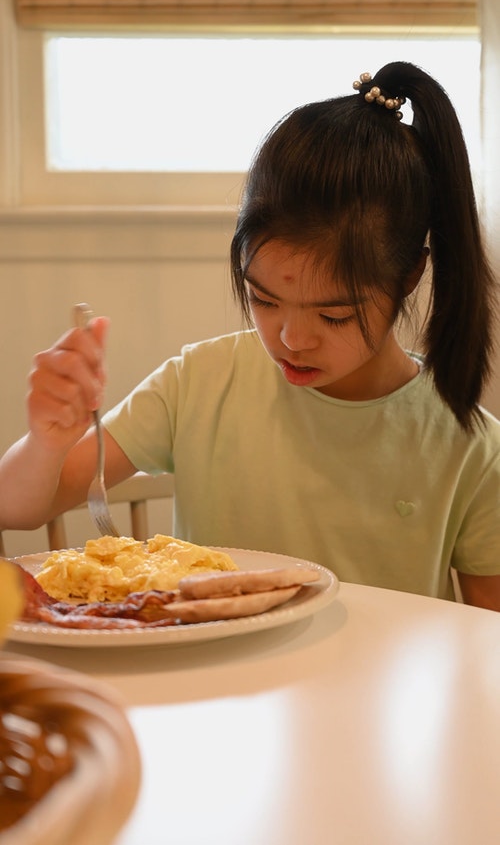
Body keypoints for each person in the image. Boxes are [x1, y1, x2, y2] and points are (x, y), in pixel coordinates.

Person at [1, 61, 499, 611]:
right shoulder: (199, 383)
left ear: (409, 275)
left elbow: (485, 645)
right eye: (263, 299)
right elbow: (19, 509)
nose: (290, 338)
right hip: (210, 689)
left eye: (333, 316)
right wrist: (47, 440)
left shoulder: (467, 445)